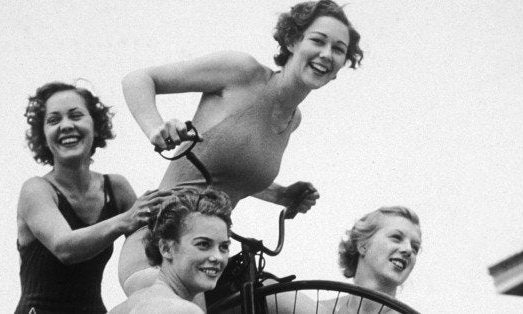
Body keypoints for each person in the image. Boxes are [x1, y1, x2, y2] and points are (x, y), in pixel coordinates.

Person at [118, 0, 363, 304]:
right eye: (317, 40)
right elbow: (138, 79)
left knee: (295, 305)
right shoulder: (241, 73)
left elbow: (229, 178)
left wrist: (282, 196)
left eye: (338, 49)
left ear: (340, 66)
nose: (327, 54)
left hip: (210, 254)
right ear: (292, 41)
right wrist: (155, 127)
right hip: (161, 243)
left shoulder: (292, 120)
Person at [15, 81, 170, 313]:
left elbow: (153, 245)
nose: (66, 125)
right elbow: (64, 247)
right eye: (54, 120)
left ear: (96, 126)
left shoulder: (116, 188)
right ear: (44, 135)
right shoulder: (36, 190)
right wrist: (124, 220)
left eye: (75, 115)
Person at [109, 188, 233, 314]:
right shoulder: (185, 311)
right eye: (203, 244)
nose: (217, 257)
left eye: (224, 247)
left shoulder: (122, 309)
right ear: (166, 248)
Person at [323, 206, 422, 313]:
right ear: (363, 245)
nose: (408, 249)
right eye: (396, 237)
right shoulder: (316, 309)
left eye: (415, 247)